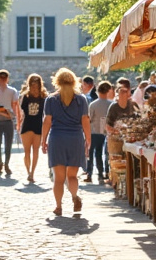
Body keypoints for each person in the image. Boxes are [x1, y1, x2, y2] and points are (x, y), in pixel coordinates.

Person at [42, 68, 91, 216]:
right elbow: (85, 120)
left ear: (57, 82)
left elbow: (47, 121)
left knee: (58, 178)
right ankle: (75, 196)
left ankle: (58, 206)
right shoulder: (81, 99)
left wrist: (43, 140)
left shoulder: (51, 99)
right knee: (72, 176)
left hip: (57, 138)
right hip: (75, 138)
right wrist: (88, 139)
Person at [19, 74, 47, 183]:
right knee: (29, 151)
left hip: (34, 126)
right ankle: (29, 173)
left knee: (33, 151)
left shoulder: (43, 97)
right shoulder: (27, 96)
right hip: (30, 126)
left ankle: (31, 173)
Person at [87, 81, 114, 183]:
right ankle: (103, 173)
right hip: (105, 131)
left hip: (94, 131)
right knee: (103, 153)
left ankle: (90, 173)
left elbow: (89, 118)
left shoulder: (93, 104)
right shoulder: (111, 104)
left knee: (91, 153)